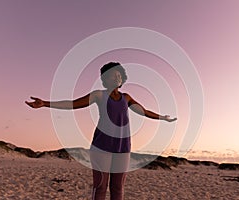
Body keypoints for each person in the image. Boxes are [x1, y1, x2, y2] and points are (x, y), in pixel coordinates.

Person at [25, 62, 176, 200]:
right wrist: (45, 103)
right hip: (101, 147)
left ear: (122, 77)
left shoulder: (127, 97)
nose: (116, 76)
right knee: (100, 187)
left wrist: (163, 118)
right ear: (105, 78)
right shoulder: (99, 95)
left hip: (122, 148)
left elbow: (144, 111)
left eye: (118, 74)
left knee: (117, 188)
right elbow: (72, 104)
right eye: (112, 74)